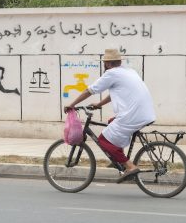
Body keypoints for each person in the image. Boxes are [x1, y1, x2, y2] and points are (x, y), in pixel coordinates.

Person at [64, 49, 156, 183]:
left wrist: (72, 104)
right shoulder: (129, 71)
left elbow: (90, 90)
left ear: (107, 63)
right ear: (119, 61)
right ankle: (118, 157)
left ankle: (129, 166)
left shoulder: (111, 74)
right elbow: (116, 92)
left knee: (103, 141)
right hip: (145, 112)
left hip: (133, 115)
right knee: (111, 122)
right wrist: (99, 103)